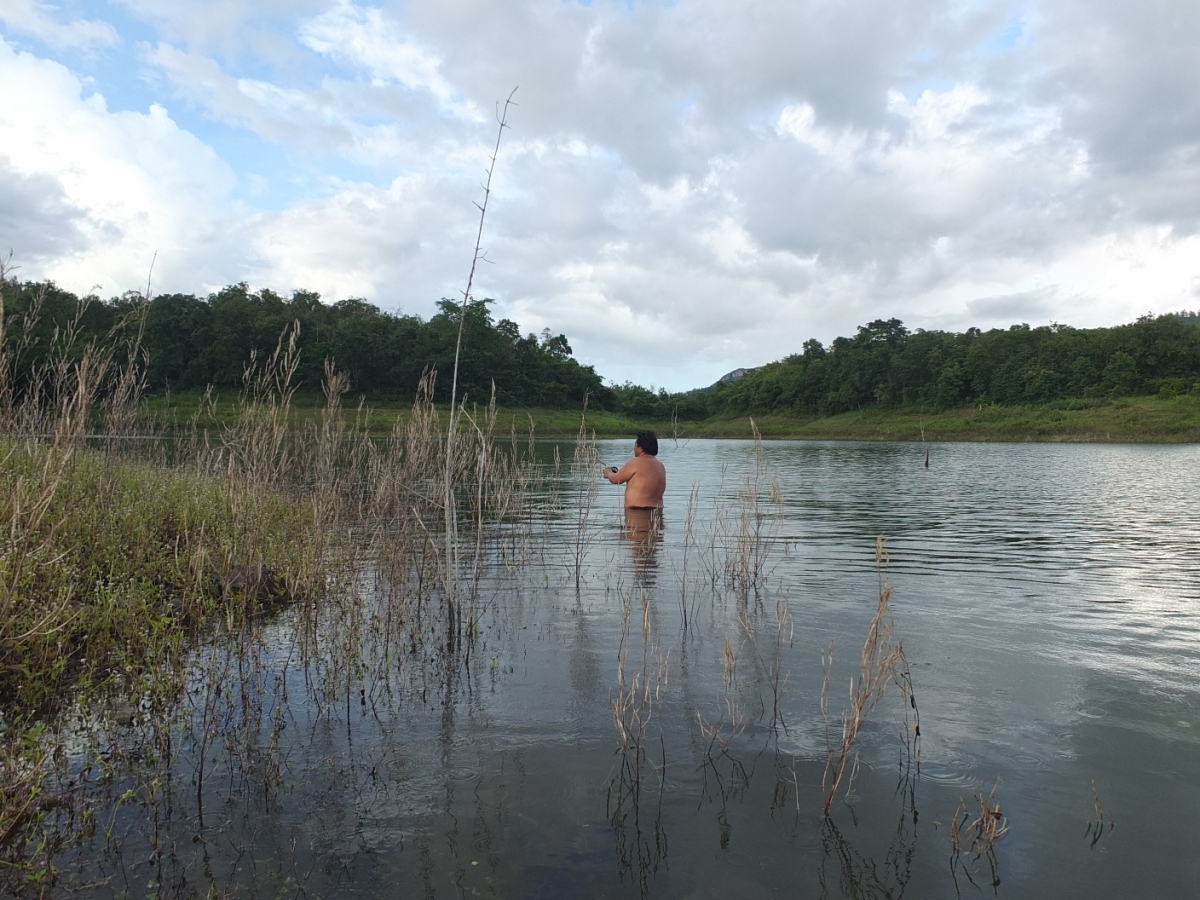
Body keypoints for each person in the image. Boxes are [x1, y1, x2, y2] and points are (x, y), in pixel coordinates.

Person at [602, 431, 666, 510]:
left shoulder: (635, 462)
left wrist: (608, 473)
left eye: (635, 446)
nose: (634, 449)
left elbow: (616, 479)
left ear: (641, 448)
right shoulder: (660, 466)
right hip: (657, 512)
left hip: (636, 511)